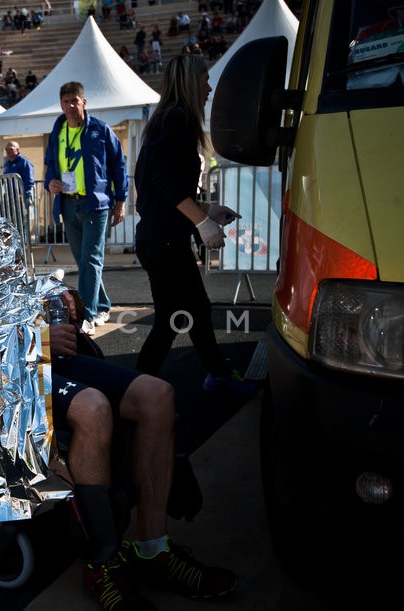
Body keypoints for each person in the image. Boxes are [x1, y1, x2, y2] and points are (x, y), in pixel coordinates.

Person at [0, 160, 239, 611]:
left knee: (158, 394)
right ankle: (102, 563)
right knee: (93, 408)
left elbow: (15, 303)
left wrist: (56, 302)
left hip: (41, 355)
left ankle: (153, 548)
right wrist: (36, 340)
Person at [133, 54, 255, 395]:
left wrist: (208, 210)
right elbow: (167, 183)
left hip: (162, 239)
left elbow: (163, 188)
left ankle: (216, 376)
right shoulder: (177, 119)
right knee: (175, 319)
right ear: (190, 81)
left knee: (190, 313)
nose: (209, 88)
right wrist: (202, 221)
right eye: (205, 79)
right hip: (164, 242)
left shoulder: (166, 119)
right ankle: (136, 391)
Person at [43, 81, 128, 334]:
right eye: (66, 101)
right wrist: (50, 182)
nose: (70, 105)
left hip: (96, 204)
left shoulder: (100, 130)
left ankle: (87, 315)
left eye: (75, 101)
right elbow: (50, 164)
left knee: (91, 259)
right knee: (84, 261)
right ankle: (102, 305)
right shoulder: (58, 131)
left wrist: (121, 201)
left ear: (84, 102)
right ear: (61, 105)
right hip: (68, 204)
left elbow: (119, 165)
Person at [2, 140, 34, 211]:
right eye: (6, 149)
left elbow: (29, 180)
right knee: (2, 214)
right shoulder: (7, 163)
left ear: (17, 149)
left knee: (21, 216)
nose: (8, 151)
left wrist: (23, 194)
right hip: (9, 196)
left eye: (11, 149)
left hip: (20, 196)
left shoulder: (24, 162)